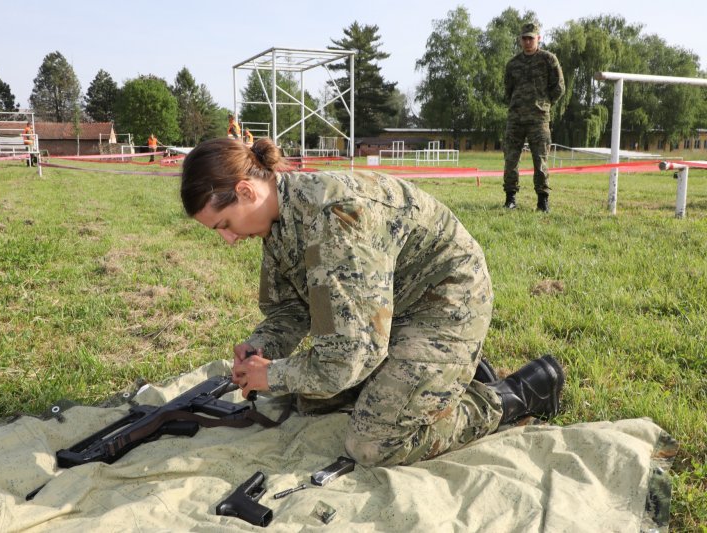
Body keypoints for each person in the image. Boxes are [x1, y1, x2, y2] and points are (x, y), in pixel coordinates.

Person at [180, 137, 565, 467]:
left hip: (448, 307)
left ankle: (509, 395)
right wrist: (262, 348)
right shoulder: (281, 215)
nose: (228, 240)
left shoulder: (335, 219)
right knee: (311, 401)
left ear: (246, 191)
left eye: (224, 225)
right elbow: (290, 308)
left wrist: (274, 374)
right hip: (394, 313)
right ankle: (433, 377)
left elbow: (350, 356)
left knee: (373, 443)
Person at [502, 22, 565, 212]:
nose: (528, 41)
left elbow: (559, 87)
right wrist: (517, 106)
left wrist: (544, 105)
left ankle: (542, 201)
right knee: (511, 160)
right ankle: (510, 198)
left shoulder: (548, 60)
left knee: (541, 161)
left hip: (539, 120)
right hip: (516, 120)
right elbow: (507, 91)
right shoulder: (513, 64)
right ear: (520, 40)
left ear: (539, 38)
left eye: (531, 38)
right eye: (524, 38)